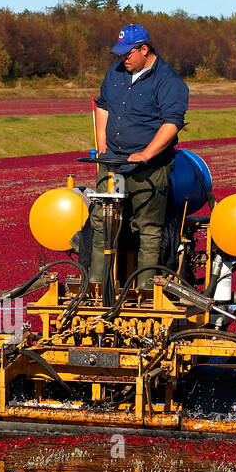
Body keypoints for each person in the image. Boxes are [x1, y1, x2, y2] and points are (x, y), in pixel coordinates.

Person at [91, 23, 190, 291]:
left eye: (127, 53)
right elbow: (102, 106)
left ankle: (146, 289)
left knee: (149, 227)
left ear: (144, 50)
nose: (123, 59)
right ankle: (97, 287)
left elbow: (172, 123)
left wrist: (146, 154)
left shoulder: (168, 81)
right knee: (102, 222)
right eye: (120, 53)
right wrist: (102, 146)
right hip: (112, 163)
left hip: (149, 168)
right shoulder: (115, 73)